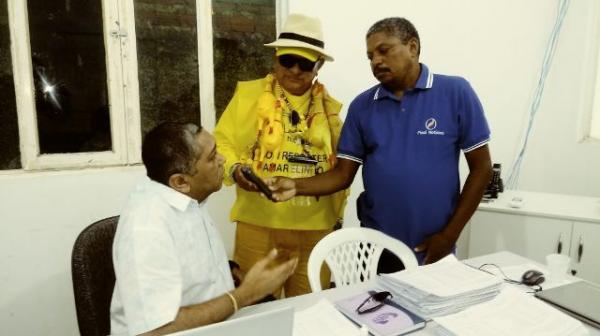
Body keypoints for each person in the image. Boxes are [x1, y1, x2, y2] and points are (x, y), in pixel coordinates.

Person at [268, 17, 492, 269]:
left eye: (384, 51)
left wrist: (449, 235)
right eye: (370, 56)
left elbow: (482, 169)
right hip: (376, 245)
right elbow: (342, 175)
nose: (376, 61)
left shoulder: (455, 93)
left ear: (413, 47)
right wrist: (295, 186)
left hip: (434, 245)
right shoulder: (363, 106)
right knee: (377, 308)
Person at [109, 122, 297, 336]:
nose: (223, 160)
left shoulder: (187, 197)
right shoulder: (146, 227)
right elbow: (154, 331)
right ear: (180, 181)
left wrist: (237, 273)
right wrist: (246, 293)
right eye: (212, 157)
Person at [213, 13, 348, 297]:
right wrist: (236, 170)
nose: (296, 70)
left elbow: (342, 167)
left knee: (310, 308)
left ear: (318, 67)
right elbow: (221, 143)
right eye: (288, 60)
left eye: (306, 63)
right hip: (259, 225)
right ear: (276, 59)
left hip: (315, 227)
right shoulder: (248, 96)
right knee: (254, 308)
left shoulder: (330, 110)